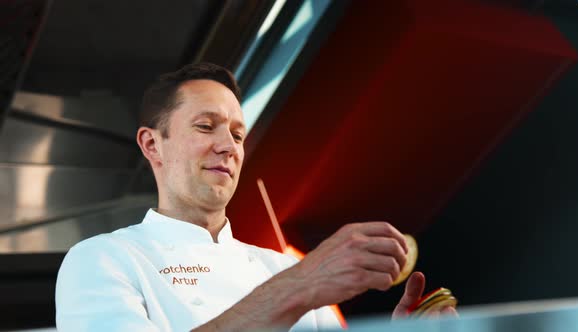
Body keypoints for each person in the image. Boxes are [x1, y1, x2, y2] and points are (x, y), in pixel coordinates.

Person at [55, 63, 457, 332]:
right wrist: (299, 285)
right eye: (205, 125)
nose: (227, 145)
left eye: (237, 133)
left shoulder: (280, 267)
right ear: (152, 144)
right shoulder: (100, 259)